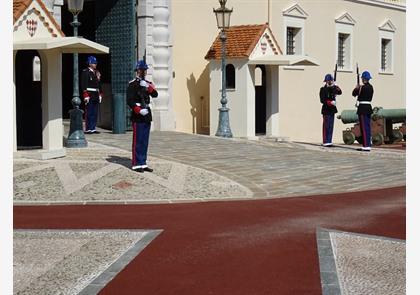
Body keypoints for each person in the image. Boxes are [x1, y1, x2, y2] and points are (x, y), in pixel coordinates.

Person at [126, 60, 158, 173]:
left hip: (147, 114)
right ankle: (136, 163)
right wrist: (139, 110)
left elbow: (155, 94)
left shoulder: (148, 83)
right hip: (138, 114)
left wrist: (148, 87)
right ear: (137, 71)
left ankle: (143, 163)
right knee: (137, 141)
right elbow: (129, 101)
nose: (143, 72)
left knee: (145, 141)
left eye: (145, 70)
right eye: (141, 70)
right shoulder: (132, 84)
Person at [352, 71, 374, 152]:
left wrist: (356, 87)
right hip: (368, 107)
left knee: (363, 128)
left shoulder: (362, 87)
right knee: (367, 127)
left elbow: (354, 94)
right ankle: (368, 144)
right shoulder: (371, 87)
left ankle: (365, 145)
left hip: (362, 108)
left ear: (364, 79)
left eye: (362, 78)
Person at [81, 55, 103, 134]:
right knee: (89, 112)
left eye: (95, 63)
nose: (95, 64)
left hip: (96, 94)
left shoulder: (97, 73)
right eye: (94, 63)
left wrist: (100, 93)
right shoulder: (85, 72)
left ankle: (93, 127)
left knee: (95, 112)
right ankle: (88, 128)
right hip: (89, 94)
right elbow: (84, 84)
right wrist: (85, 95)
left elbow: (99, 84)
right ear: (90, 63)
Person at [319, 73, 342, 147]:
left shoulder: (334, 88)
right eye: (328, 81)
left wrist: (336, 86)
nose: (329, 82)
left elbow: (340, 92)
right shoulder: (323, 89)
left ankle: (329, 140)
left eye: (331, 81)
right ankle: (325, 141)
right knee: (326, 125)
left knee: (331, 125)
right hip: (326, 109)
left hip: (332, 109)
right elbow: (322, 100)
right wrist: (330, 102)